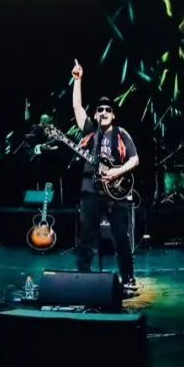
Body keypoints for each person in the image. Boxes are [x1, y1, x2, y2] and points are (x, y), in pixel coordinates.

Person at [71, 60, 141, 293]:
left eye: (108, 110)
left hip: (117, 194)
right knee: (86, 238)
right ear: (95, 114)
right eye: (100, 109)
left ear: (113, 114)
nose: (103, 112)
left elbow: (134, 159)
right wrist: (77, 80)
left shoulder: (121, 134)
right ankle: (82, 278)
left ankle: (128, 278)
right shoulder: (90, 131)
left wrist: (116, 172)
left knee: (121, 237)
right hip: (90, 191)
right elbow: (77, 108)